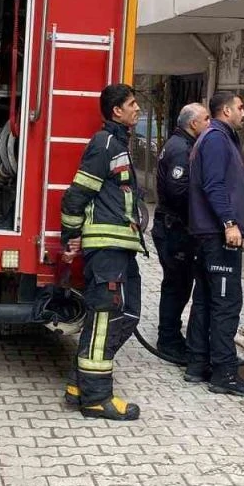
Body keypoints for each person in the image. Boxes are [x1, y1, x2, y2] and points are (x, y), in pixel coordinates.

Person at [59, 83, 146, 420]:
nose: (137, 109)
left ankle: (78, 384)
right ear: (116, 111)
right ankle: (96, 397)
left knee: (127, 313)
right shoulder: (104, 144)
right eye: (132, 104)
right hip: (107, 247)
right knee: (107, 316)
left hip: (121, 246)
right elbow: (76, 195)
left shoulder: (118, 144)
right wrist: (71, 236)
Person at [185, 90, 244, 397]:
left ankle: (197, 364)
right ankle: (224, 373)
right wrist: (229, 223)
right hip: (218, 236)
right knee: (226, 304)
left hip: (208, 235)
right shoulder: (216, 139)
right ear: (226, 111)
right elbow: (214, 185)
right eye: (241, 107)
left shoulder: (215, 138)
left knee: (205, 300)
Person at [153, 103, 211, 364]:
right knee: (176, 286)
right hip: (174, 229)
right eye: (206, 119)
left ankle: (171, 336)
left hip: (173, 227)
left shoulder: (182, 144)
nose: (209, 123)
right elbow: (178, 191)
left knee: (179, 284)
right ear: (193, 123)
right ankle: (168, 341)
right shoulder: (181, 149)